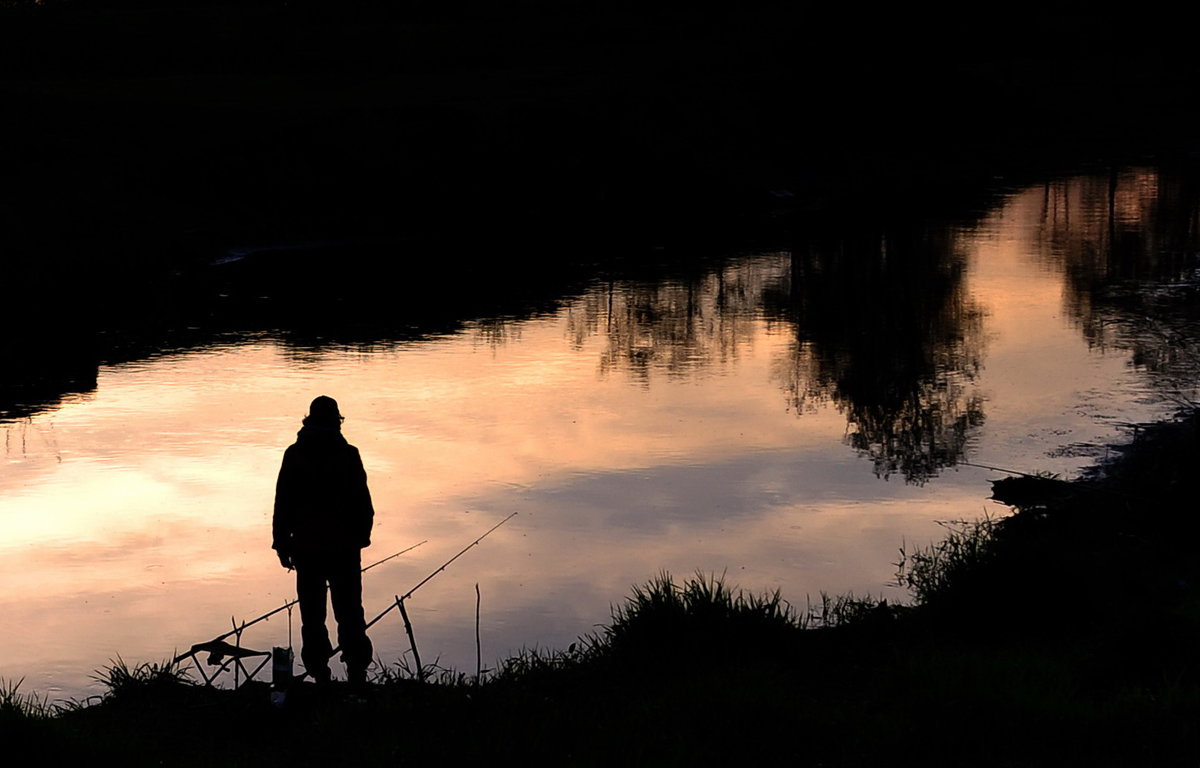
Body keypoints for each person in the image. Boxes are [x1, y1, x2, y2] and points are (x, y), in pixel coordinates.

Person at [273, 395, 374, 685]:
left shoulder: (294, 454)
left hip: (306, 548)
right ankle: (357, 671)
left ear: (308, 420)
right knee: (351, 612)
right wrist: (361, 538)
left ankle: (319, 673)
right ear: (337, 421)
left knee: (312, 615)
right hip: (344, 548)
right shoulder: (349, 454)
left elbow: (283, 503)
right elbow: (363, 504)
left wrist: (281, 543)